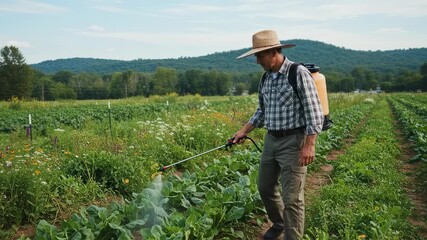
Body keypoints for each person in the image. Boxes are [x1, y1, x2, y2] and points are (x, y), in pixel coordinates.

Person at [232, 30, 323, 240]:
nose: (257, 61)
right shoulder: (266, 78)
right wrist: (243, 131)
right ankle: (280, 223)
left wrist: (310, 145)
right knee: (264, 186)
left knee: (292, 198)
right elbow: (261, 111)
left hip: (294, 142)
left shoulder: (297, 73)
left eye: (259, 56)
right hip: (271, 140)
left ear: (273, 52)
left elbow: (314, 111)